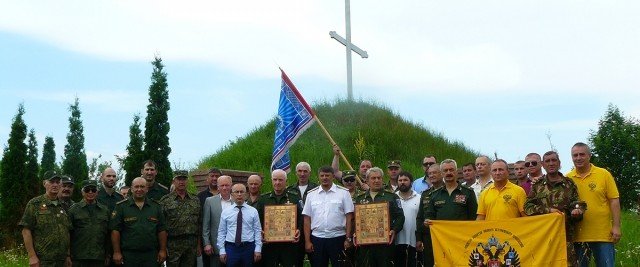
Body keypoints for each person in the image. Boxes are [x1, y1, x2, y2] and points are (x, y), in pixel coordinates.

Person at [524, 151, 584, 266]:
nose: (551, 163)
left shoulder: (569, 184)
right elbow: (527, 207)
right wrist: (548, 210)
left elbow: (576, 204)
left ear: (559, 163)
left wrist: (577, 211)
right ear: (543, 164)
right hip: (542, 239)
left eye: (554, 160)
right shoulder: (537, 185)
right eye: (547, 161)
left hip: (565, 238)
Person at [567, 142, 621, 267]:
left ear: (589, 156)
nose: (578, 158)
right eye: (575, 155)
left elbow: (614, 200)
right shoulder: (568, 178)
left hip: (602, 235)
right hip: (578, 236)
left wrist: (616, 226)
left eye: (582, 154)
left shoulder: (603, 174)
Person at [302, 166, 354, 267]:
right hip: (317, 238)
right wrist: (307, 241)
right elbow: (307, 219)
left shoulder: (343, 193)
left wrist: (348, 238)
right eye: (322, 175)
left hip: (338, 237)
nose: (324, 178)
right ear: (319, 177)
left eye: (327, 175)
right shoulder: (311, 195)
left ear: (333, 176)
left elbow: (349, 217)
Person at [110, 177, 167, 266]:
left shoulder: (156, 207)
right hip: (129, 255)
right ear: (131, 189)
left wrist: (163, 250)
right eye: (136, 187)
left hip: (151, 255)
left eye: (142, 187)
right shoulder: (121, 207)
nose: (139, 189)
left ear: (147, 189)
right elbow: (115, 231)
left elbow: (162, 230)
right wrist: (116, 252)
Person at [19, 171, 72, 267]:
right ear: (44, 184)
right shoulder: (34, 204)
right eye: (51, 182)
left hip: (62, 260)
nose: (55, 185)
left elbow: (67, 231)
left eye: (57, 182)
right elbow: (26, 231)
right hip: (43, 261)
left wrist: (68, 255)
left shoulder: (64, 206)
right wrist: (31, 256)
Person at [354, 167, 404, 267]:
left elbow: (400, 217)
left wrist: (394, 230)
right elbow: (356, 219)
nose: (376, 180)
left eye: (379, 178)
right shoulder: (359, 198)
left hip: (385, 245)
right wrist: (356, 233)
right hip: (365, 245)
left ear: (382, 179)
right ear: (367, 181)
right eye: (373, 178)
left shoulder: (392, 197)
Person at [256, 169, 302, 267]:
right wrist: (260, 232)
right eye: (275, 179)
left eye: (280, 180)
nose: (277, 182)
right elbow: (257, 220)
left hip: (289, 245)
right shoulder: (263, 199)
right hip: (269, 245)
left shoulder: (295, 198)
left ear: (286, 181)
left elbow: (301, 218)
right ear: (272, 180)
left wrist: (299, 230)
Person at [159, 170, 202, 267]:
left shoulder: (195, 200)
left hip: (191, 243)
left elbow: (199, 223)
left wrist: (198, 245)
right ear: (174, 181)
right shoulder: (165, 201)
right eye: (179, 179)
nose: (181, 182)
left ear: (188, 181)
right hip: (173, 244)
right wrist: (162, 248)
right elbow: (161, 226)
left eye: (184, 179)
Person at [217, 183, 262, 267]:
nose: (239, 194)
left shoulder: (253, 211)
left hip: (248, 248)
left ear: (246, 194)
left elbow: (257, 230)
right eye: (236, 192)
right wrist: (222, 250)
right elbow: (221, 232)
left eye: (242, 192)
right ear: (232, 194)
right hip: (231, 248)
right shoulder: (226, 212)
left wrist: (258, 249)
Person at [423, 159, 478, 227]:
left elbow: (474, 219)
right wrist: (427, 222)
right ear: (441, 173)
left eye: (451, 170)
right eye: (445, 170)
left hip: (462, 235)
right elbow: (429, 217)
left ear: (456, 172)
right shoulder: (434, 195)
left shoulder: (468, 192)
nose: (448, 173)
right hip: (441, 236)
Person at [68, 180, 111, 267]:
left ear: (97, 192)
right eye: (87, 190)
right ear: (82, 192)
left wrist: (108, 254)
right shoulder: (73, 210)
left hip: (99, 257)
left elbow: (108, 234)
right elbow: (67, 234)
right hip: (78, 258)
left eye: (93, 190)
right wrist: (67, 255)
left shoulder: (105, 211)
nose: (90, 192)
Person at [287, 161, 318, 266]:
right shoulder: (289, 190)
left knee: (316, 262)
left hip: (313, 231)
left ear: (309, 173)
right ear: (296, 173)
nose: (302, 174)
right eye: (299, 171)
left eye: (305, 171)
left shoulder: (317, 189)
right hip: (295, 233)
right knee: (296, 262)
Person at [415, 163, 446, 266]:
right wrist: (419, 238)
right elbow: (420, 217)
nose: (431, 175)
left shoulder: (448, 190)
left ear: (442, 174)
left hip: (446, 235)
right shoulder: (425, 194)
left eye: (434, 173)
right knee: (429, 263)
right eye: (429, 173)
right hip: (428, 237)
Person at [202, 175, 234, 267]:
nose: (224, 188)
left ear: (231, 186)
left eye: (227, 185)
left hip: (234, 247)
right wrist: (206, 243)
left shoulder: (237, 201)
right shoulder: (210, 201)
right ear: (218, 187)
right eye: (222, 185)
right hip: (215, 247)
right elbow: (206, 225)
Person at [395, 171, 420, 267]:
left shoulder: (419, 198)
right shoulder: (393, 198)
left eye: (405, 180)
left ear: (411, 182)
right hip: (396, 241)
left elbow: (421, 219)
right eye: (400, 180)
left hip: (413, 241)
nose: (402, 182)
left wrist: (420, 239)